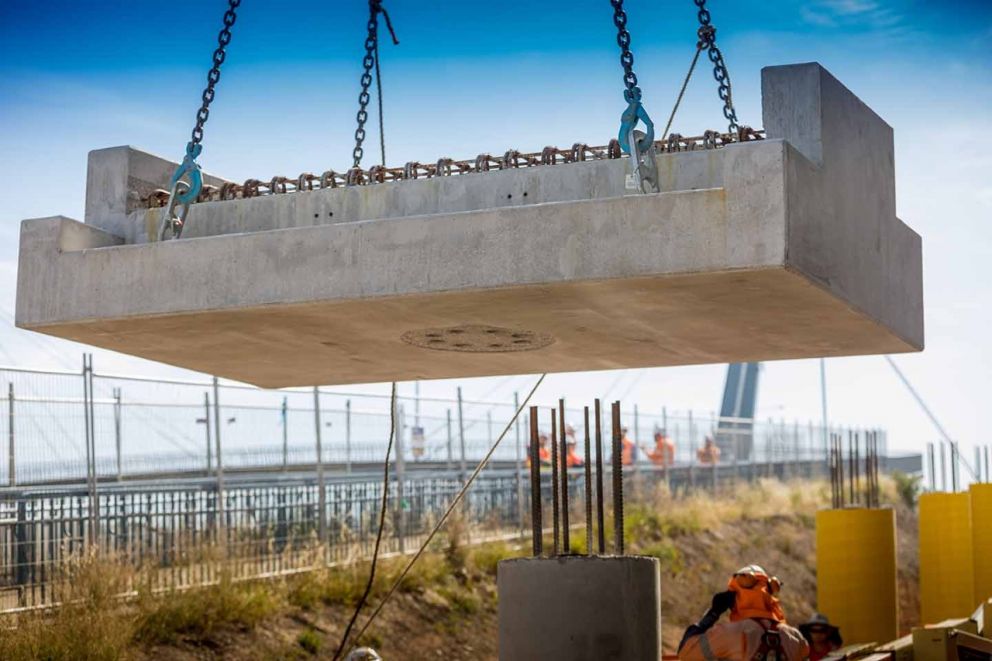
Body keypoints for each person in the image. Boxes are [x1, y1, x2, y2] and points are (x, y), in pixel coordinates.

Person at [678, 565, 809, 661]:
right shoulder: (796, 638)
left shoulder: (728, 633)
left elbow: (686, 653)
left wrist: (713, 613)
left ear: (734, 596)